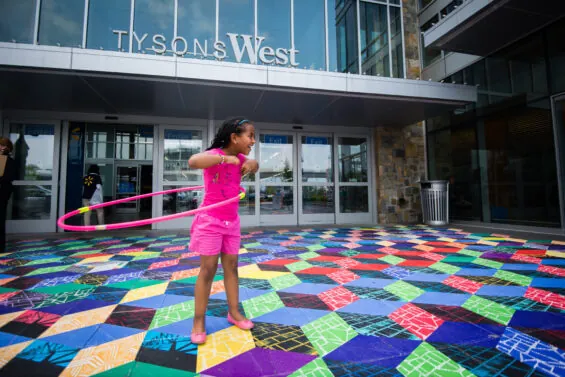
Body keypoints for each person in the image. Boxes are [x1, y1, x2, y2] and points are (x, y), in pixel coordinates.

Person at [187, 117, 259, 344]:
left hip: (231, 222)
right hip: (210, 220)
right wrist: (223, 158)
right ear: (234, 137)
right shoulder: (215, 155)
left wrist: (251, 164)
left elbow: (255, 164)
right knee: (207, 269)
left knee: (232, 267)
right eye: (250, 136)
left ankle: (234, 313)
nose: (253, 141)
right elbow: (192, 161)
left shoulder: (241, 159)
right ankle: (198, 321)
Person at [0, 137, 15, 254]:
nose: (1, 148)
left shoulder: (9, 161)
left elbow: (10, 177)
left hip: (3, 191)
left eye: (3, 145)